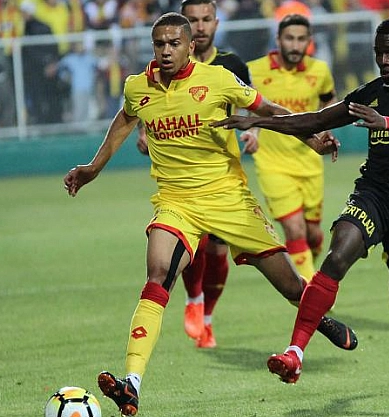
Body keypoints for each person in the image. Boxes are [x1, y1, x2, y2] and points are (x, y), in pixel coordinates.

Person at [63, 13, 357, 416]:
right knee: (157, 274)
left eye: (174, 44)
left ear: (190, 46)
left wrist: (311, 139)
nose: (166, 51)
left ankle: (317, 318)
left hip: (229, 199)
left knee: (290, 286)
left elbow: (267, 108)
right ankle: (132, 384)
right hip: (176, 202)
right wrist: (93, 168)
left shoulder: (217, 79)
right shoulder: (138, 87)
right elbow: (126, 118)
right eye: (159, 44)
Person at [213, 16, 389, 384]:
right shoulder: (373, 91)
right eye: (379, 53)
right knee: (337, 256)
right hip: (373, 193)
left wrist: (386, 123)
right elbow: (313, 121)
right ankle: (294, 354)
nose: (384, 60)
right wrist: (257, 122)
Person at [136, 0, 256, 350]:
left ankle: (207, 316)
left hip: (221, 173)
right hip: (182, 181)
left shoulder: (231, 65)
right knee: (193, 246)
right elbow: (145, 107)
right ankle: (193, 298)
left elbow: (252, 107)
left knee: (218, 252)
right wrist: (144, 134)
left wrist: (254, 132)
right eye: (193, 20)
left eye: (206, 19)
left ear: (216, 23)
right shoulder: (161, 67)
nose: (200, 26)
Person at [247, 13, 337, 284]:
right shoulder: (254, 70)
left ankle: (309, 265)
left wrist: (327, 124)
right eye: (289, 38)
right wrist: (253, 131)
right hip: (272, 163)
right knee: (294, 230)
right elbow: (247, 106)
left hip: (309, 161)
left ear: (309, 41)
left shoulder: (319, 71)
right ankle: (311, 294)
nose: (295, 45)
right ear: (278, 40)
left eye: (301, 39)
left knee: (313, 235)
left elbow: (329, 98)